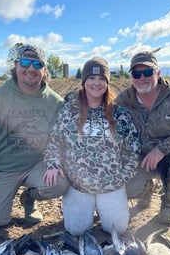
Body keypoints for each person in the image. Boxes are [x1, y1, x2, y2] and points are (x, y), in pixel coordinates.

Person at [0, 44, 69, 229]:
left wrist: (58, 164)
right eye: (25, 62)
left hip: (37, 165)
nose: (31, 68)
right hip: (2, 168)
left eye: (37, 64)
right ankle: (0, 201)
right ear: (15, 65)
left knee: (60, 182)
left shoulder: (55, 102)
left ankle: (29, 198)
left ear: (44, 69)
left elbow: (61, 139)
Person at [43, 57, 140, 236]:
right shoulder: (69, 110)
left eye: (102, 79)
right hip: (78, 185)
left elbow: (132, 148)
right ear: (84, 81)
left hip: (111, 184)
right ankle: (85, 209)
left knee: (117, 229)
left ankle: (107, 208)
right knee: (76, 230)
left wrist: (122, 177)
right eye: (92, 78)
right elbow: (54, 141)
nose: (97, 83)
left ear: (107, 83)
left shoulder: (119, 113)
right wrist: (53, 164)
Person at [115, 49, 170, 225]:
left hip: (167, 158)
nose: (142, 78)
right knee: (128, 186)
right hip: (137, 158)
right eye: (136, 73)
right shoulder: (122, 100)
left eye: (147, 72)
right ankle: (144, 188)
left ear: (158, 72)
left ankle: (169, 204)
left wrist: (161, 150)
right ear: (131, 76)